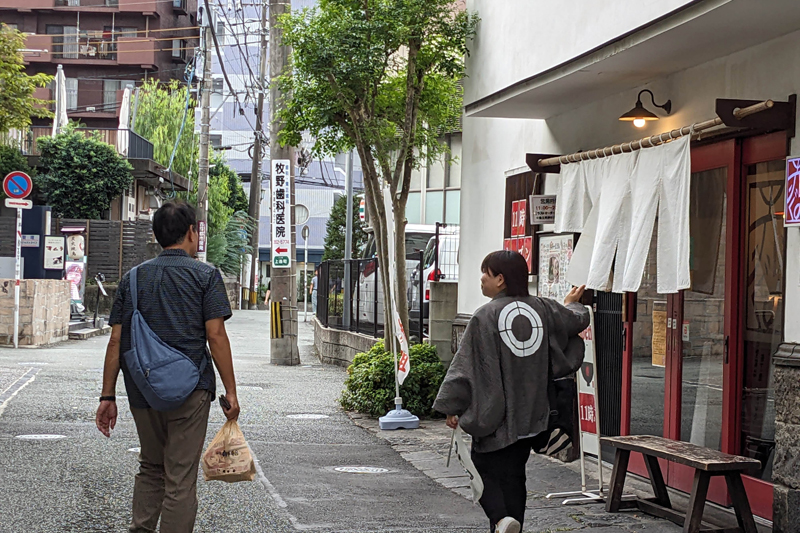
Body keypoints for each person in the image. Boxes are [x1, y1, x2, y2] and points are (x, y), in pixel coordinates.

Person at [95, 202, 239, 533]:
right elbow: (215, 335)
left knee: (150, 466)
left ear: (157, 235)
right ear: (192, 232)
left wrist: (108, 395)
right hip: (191, 390)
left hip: (142, 389)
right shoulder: (205, 275)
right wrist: (231, 391)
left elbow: (116, 341)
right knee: (179, 478)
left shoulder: (132, 279)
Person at [433, 250, 588, 533]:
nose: (481, 278)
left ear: (500, 279)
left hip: (498, 416)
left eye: (486, 273)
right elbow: (575, 320)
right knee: (515, 475)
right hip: (534, 416)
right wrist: (572, 304)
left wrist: (452, 406)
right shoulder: (543, 308)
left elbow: (466, 367)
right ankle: (509, 525)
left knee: (482, 466)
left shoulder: (485, 316)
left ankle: (501, 520)